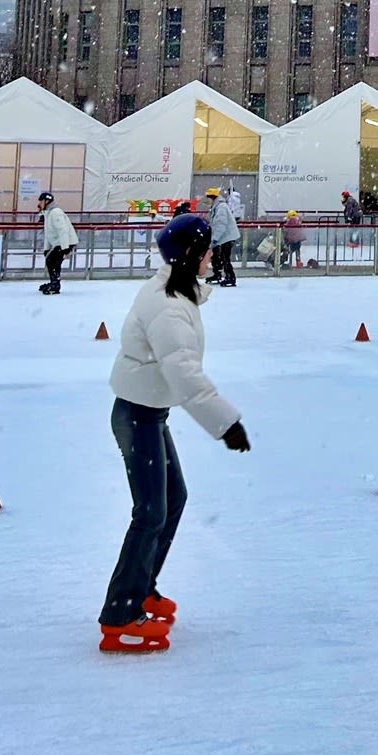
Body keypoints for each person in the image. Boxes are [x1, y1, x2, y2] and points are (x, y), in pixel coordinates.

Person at [98, 213, 251, 654]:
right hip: (138, 414)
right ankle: (120, 615)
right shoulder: (167, 305)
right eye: (206, 252)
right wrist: (226, 422)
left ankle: (142, 587)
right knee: (150, 512)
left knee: (172, 499)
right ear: (188, 256)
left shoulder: (178, 291)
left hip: (148, 413)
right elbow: (182, 371)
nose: (211, 258)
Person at [37, 190, 78, 295]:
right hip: (60, 242)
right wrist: (46, 249)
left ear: (47, 201)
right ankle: (54, 282)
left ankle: (55, 284)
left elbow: (62, 230)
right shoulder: (48, 214)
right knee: (53, 261)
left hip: (66, 241)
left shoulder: (56, 212)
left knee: (52, 260)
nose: (39, 204)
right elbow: (49, 234)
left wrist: (65, 248)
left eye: (41, 201)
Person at [206, 188, 240, 286]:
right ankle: (218, 274)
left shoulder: (221, 207)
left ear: (212, 197)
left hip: (227, 236)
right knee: (218, 255)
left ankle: (230, 277)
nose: (207, 200)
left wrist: (215, 238)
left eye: (208, 198)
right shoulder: (217, 206)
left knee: (225, 257)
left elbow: (221, 224)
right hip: (224, 236)